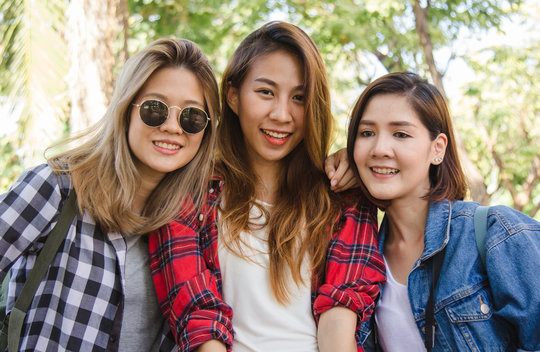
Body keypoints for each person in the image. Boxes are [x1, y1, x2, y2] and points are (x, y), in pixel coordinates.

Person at [149, 21, 386, 352]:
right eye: (266, 92)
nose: (282, 114)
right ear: (233, 95)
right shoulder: (190, 195)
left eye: (299, 97)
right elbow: (196, 316)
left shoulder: (343, 198)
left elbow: (341, 314)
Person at [0, 38, 219, 351]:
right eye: (155, 109)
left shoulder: (189, 227)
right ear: (125, 109)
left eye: (191, 116)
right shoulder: (57, 188)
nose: (173, 127)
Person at [336, 71, 539, 351]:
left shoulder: (496, 234)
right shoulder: (359, 261)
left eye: (401, 134)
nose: (380, 148)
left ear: (437, 149)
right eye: (367, 133)